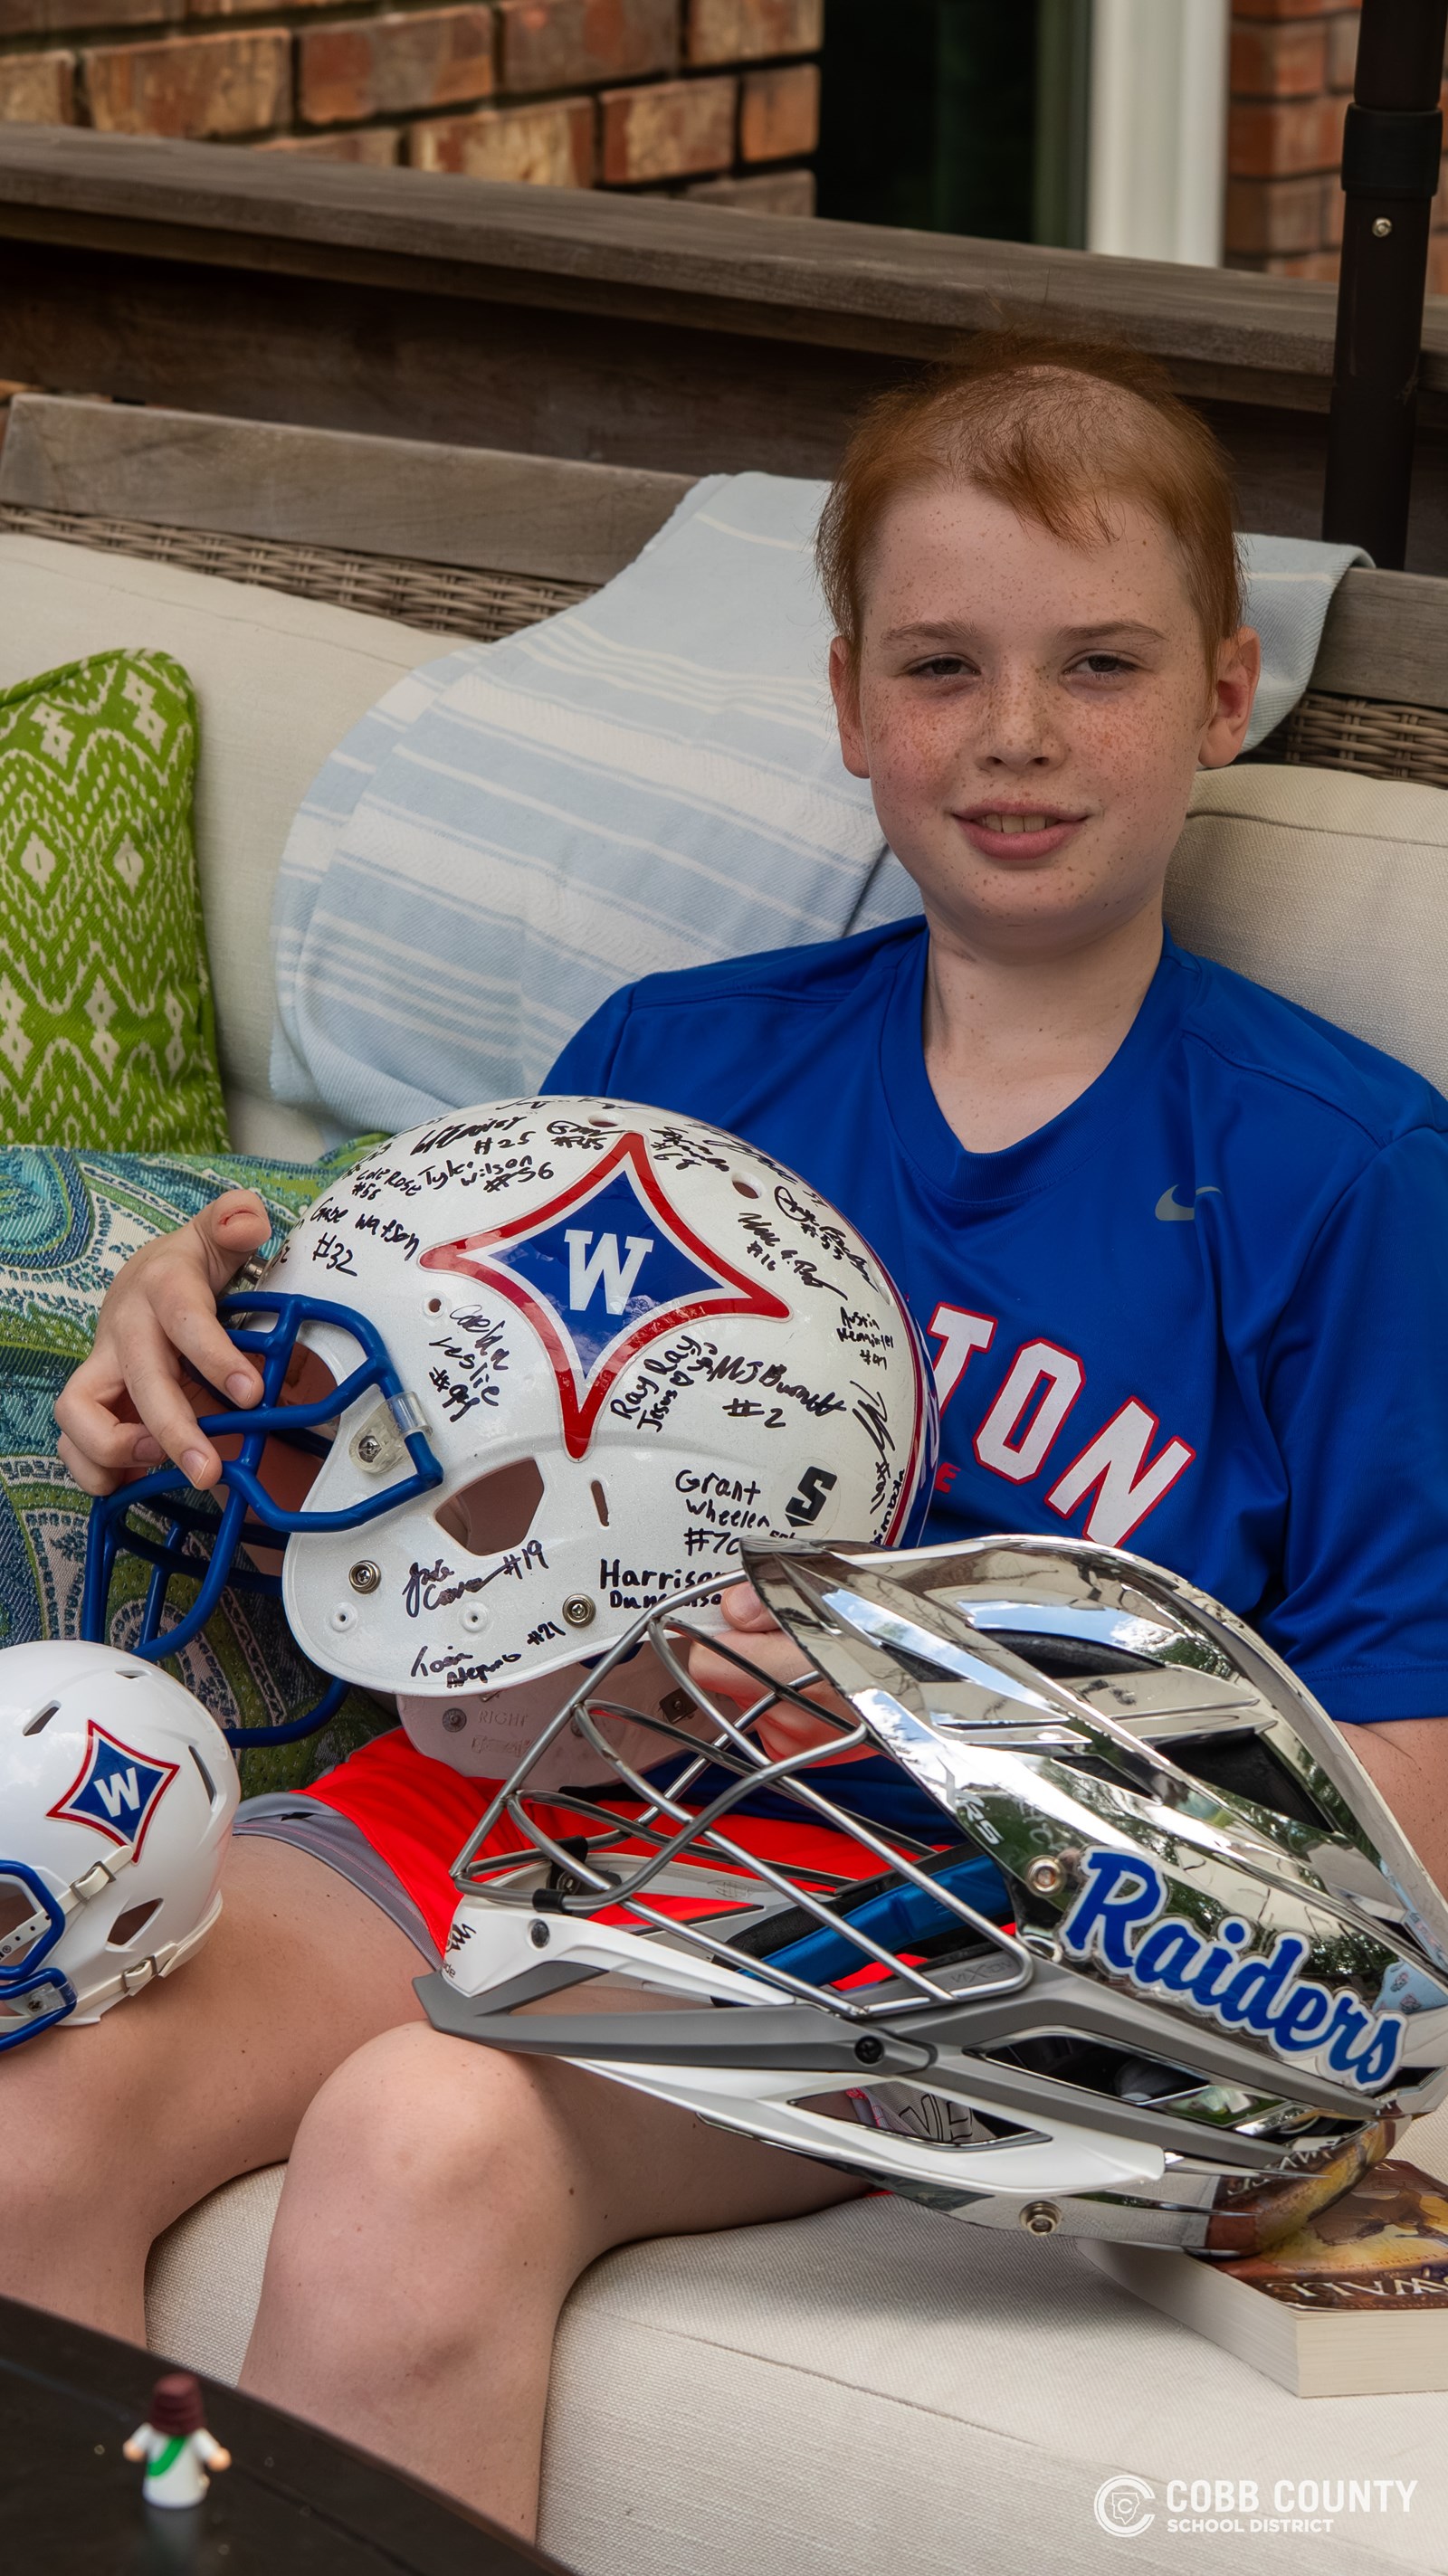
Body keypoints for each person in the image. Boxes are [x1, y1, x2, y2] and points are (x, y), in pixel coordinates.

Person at [20, 331, 1448, 2538]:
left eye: (1097, 663)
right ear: (852, 704)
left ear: (1222, 692)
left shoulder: (1346, 1171)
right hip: (505, 1800)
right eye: (941, 665)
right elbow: (420, 1502)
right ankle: (162, 2518)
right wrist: (201, 1334)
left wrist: (900, 1697)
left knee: (429, 2135)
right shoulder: (666, 1068)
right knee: (24, 2137)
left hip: (925, 1916)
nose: (1015, 734)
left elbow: (1395, 1815)